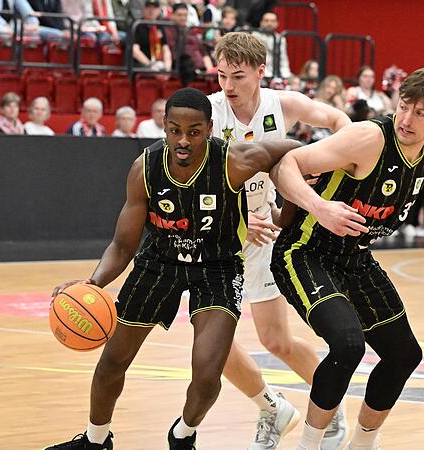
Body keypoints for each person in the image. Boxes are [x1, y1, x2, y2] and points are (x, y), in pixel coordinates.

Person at [44, 87, 302, 450]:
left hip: (218, 267)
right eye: (175, 130)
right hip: (159, 263)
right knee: (111, 363)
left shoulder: (234, 160)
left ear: (209, 129)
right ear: (163, 127)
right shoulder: (144, 169)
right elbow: (122, 245)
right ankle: (95, 440)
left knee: (208, 374)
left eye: (194, 132)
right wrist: (93, 283)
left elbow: (294, 153)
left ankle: (183, 434)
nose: (183, 140)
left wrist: (290, 210)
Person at [268, 68, 424, 450]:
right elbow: (285, 166)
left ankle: (362, 444)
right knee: (348, 345)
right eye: (403, 107)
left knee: (404, 355)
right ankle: (309, 445)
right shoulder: (368, 138)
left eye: (420, 113)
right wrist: (319, 206)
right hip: (306, 251)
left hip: (356, 258)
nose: (407, 119)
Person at [209, 31, 352, 449]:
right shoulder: (210, 113)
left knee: (276, 341)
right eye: (221, 76)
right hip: (219, 234)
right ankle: (273, 407)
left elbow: (341, 123)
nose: (228, 87)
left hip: (264, 232)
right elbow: (198, 183)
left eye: (237, 76)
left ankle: (332, 409)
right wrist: (236, 219)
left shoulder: (282, 104)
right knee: (212, 342)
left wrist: (327, 164)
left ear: (259, 71)